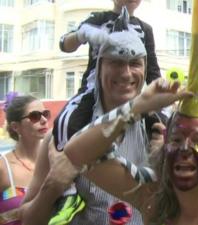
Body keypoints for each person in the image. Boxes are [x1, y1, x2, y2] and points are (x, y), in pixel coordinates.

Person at [21, 28, 171, 225]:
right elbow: (27, 221)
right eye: (116, 62)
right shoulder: (63, 138)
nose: (126, 74)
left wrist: (164, 162)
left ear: (144, 69)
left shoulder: (161, 133)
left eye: (135, 63)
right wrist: (53, 184)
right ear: (99, 68)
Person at [54, 0, 161, 151]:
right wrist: (81, 35)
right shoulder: (97, 19)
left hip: (132, 93)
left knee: (160, 127)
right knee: (68, 123)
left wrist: (164, 96)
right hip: (94, 87)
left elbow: (152, 70)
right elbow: (64, 44)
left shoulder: (145, 29)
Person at [0, 95, 50, 224]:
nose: (44, 120)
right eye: (34, 116)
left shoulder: (55, 160)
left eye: (45, 114)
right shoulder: (3, 168)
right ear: (16, 127)